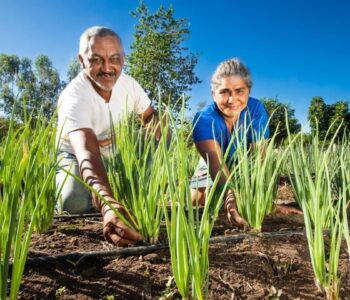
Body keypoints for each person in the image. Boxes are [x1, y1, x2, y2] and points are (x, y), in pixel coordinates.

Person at [56, 26, 160, 246]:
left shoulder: (129, 84)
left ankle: (123, 193)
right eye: (95, 60)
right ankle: (82, 187)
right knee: (72, 204)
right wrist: (108, 204)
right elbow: (87, 152)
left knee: (154, 138)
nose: (107, 68)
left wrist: (163, 160)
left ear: (123, 58)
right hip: (76, 155)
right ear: (81, 60)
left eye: (115, 58)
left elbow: (151, 118)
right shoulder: (74, 97)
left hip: (115, 150)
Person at [190, 58, 301, 227]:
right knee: (197, 203)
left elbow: (261, 157)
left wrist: (264, 200)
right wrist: (230, 199)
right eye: (224, 92)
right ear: (213, 94)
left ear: (248, 91)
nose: (231, 99)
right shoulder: (203, 119)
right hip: (214, 159)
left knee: (248, 198)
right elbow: (215, 160)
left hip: (245, 161)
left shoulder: (256, 110)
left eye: (239, 91)